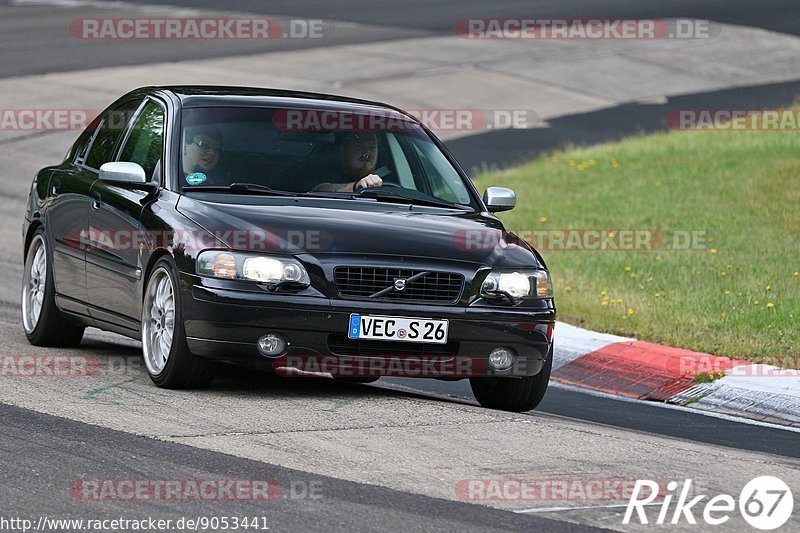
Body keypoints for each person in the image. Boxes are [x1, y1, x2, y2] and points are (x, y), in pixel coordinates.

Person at [311, 132, 384, 192]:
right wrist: (357, 186)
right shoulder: (323, 174)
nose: (366, 154)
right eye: (359, 145)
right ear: (343, 149)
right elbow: (320, 190)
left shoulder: (390, 177)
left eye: (372, 147)